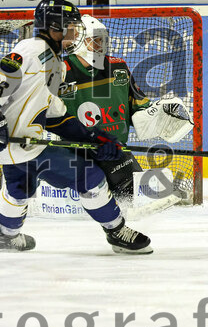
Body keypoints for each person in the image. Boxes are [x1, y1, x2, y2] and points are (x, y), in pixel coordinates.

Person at [0, 0, 152, 254]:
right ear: (55, 27)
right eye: (72, 27)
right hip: (23, 146)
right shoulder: (32, 51)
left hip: (21, 145)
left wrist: (95, 138)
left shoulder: (54, 62)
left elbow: (55, 115)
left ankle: (6, 236)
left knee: (19, 190)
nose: (76, 34)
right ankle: (117, 231)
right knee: (89, 176)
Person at [59, 14, 193, 202]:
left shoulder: (118, 67)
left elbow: (138, 105)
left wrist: (157, 114)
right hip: (75, 152)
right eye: (94, 41)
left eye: (102, 41)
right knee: (132, 192)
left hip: (114, 149)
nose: (100, 46)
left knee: (132, 190)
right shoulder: (60, 72)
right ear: (80, 42)